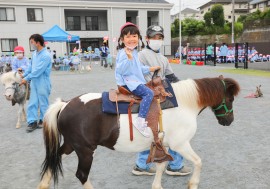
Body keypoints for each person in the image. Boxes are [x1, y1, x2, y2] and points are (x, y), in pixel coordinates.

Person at [132, 25, 191, 176]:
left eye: (160, 38)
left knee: (168, 128)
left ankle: (144, 165)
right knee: (159, 128)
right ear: (147, 39)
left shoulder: (164, 58)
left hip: (162, 94)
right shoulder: (141, 55)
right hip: (149, 94)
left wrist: (185, 87)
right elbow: (139, 76)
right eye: (153, 37)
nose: (157, 40)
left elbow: (171, 77)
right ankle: (173, 165)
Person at [115, 22, 160, 137]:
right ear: (122, 39)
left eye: (134, 36)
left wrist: (150, 68)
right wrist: (128, 59)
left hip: (134, 80)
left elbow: (138, 68)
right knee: (149, 93)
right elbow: (121, 70)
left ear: (138, 38)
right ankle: (140, 120)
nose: (131, 39)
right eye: (128, 36)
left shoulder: (134, 52)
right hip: (129, 83)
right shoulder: (124, 53)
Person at [20, 34, 52, 132]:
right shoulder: (34, 53)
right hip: (34, 81)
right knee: (32, 102)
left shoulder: (46, 55)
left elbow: (38, 71)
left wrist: (27, 78)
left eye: (32, 42)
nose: (31, 44)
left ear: (38, 43)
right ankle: (32, 121)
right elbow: (31, 67)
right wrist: (23, 75)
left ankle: (44, 120)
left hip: (43, 81)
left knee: (43, 102)